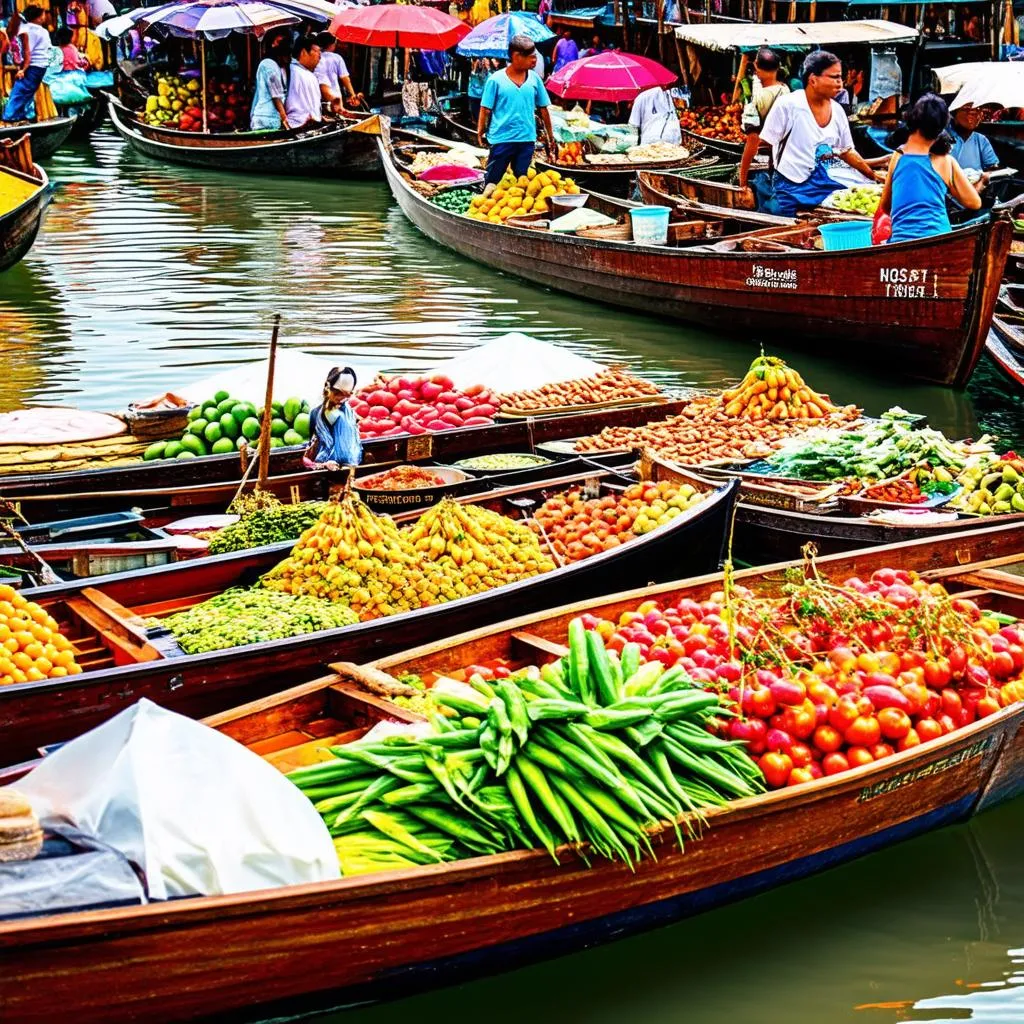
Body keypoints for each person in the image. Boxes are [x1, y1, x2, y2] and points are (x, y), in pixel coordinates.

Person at [757, 50, 882, 217]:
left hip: (823, 185)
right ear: (813, 79)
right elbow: (764, 143)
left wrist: (872, 176)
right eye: (834, 77)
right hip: (789, 187)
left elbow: (846, 151)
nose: (840, 83)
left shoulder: (837, 111)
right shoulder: (787, 105)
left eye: (840, 77)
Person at [878, 93, 981, 244]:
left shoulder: (898, 156)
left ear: (913, 121)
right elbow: (975, 203)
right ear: (941, 129)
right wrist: (981, 182)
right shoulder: (946, 161)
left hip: (899, 245)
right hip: (940, 243)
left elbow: (886, 206)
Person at [477, 34, 554, 187]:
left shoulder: (534, 79)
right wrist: (480, 131)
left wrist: (550, 136)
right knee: (493, 181)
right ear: (516, 56)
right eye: (531, 57)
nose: (535, 60)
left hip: (526, 139)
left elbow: (543, 109)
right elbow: (485, 109)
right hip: (501, 139)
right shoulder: (495, 80)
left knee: (522, 182)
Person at [738, 47, 789, 188]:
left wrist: (742, 180)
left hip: (772, 160)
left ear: (756, 66)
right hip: (788, 162)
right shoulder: (786, 90)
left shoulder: (758, 99)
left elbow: (753, 140)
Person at [302, 367, 362, 471]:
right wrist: (323, 465)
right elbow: (308, 455)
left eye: (347, 395)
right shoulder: (316, 414)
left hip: (350, 468)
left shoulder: (350, 413)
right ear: (327, 387)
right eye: (337, 393)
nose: (342, 398)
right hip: (325, 472)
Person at [3, 6, 50, 123]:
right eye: (43, 15)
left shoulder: (27, 30)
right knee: (26, 92)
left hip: (32, 66)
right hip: (40, 66)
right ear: (38, 18)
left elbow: (27, 52)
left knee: (20, 91)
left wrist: (22, 69)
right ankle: (18, 116)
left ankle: (9, 117)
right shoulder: (41, 31)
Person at [314, 31, 361, 113]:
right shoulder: (337, 58)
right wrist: (353, 94)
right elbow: (345, 79)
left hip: (318, 97)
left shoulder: (314, 56)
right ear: (332, 45)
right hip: (335, 96)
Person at [948, 103, 999, 177]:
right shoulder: (943, 138)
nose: (972, 113)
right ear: (954, 113)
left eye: (977, 109)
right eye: (966, 109)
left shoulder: (981, 140)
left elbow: (992, 166)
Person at [249, 40, 290, 130]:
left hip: (274, 118)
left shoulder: (282, 68)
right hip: (265, 118)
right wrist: (285, 119)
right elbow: (276, 96)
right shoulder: (269, 64)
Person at [284, 35, 322, 129]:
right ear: (304, 52)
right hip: (294, 127)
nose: (320, 56)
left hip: (313, 127)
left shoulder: (311, 76)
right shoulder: (288, 71)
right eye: (317, 51)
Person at [467, 56, 492, 121]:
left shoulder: (488, 73)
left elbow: (491, 79)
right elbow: (472, 76)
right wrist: (475, 66)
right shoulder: (473, 72)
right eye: (479, 61)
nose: (481, 63)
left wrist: (487, 67)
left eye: (482, 61)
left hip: (482, 97)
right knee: (476, 116)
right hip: (474, 97)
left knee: (482, 117)